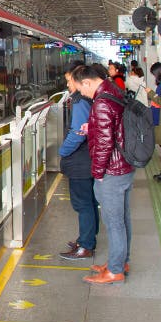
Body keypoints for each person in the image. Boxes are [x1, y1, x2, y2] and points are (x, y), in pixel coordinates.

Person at [70, 64, 134, 285]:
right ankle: (120, 261)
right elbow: (112, 129)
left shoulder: (102, 102)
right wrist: (94, 127)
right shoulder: (112, 91)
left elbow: (105, 143)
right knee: (122, 219)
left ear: (87, 82)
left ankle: (115, 270)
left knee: (114, 221)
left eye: (81, 89)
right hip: (123, 166)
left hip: (112, 171)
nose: (82, 94)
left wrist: (97, 173)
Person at [58, 61, 99, 261]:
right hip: (86, 160)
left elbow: (77, 133)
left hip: (81, 162)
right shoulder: (86, 100)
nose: (68, 85)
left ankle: (86, 245)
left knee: (83, 204)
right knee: (88, 203)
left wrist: (63, 151)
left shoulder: (80, 102)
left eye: (69, 81)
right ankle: (87, 239)